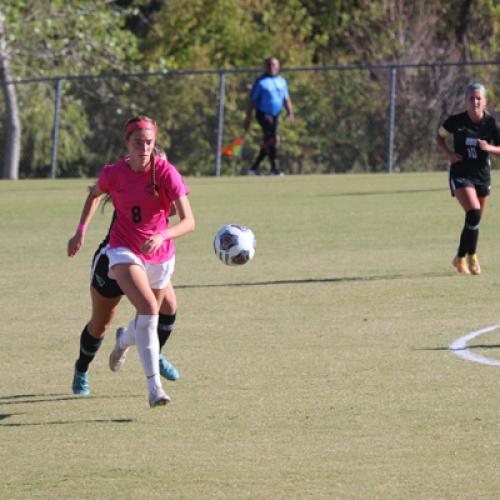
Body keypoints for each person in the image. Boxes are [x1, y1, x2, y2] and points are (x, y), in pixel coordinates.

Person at [68, 116, 195, 407]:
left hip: (158, 255)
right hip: (120, 252)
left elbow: (188, 220)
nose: (145, 148)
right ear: (127, 143)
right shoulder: (115, 173)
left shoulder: (165, 173)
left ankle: (128, 340)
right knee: (104, 322)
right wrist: (79, 233)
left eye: (150, 142)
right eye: (138, 142)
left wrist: (162, 235)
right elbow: (95, 194)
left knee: (159, 313)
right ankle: (86, 371)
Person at [436, 83, 500, 275]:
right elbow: (440, 137)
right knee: (473, 212)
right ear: (465, 101)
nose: (475, 101)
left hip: (482, 176)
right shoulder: (456, 121)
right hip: (461, 173)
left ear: (485, 101)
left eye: (478, 98)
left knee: (474, 219)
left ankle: (460, 257)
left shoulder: (491, 124)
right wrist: (448, 154)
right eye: (471, 98)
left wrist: (490, 149)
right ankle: (471, 257)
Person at [243, 56, 294, 176]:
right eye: (269, 65)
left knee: (269, 141)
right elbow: (252, 101)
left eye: (274, 65)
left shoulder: (282, 81)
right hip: (263, 114)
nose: (272, 67)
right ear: (265, 67)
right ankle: (274, 169)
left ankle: (254, 168)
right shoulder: (261, 82)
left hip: (275, 115)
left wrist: (290, 112)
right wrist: (247, 118)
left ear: (278, 66)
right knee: (274, 138)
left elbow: (286, 98)